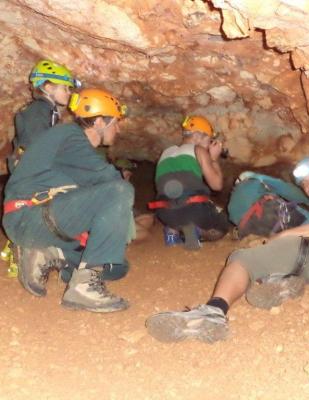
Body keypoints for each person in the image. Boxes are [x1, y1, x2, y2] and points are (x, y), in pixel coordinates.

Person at [146, 155, 309, 342]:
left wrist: (285, 234)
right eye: (305, 183)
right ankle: (283, 282)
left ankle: (213, 312)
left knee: (243, 258)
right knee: (284, 257)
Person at [2, 88, 133, 313]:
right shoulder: (69, 135)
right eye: (116, 122)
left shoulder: (73, 150)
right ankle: (82, 288)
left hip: (43, 221)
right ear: (100, 122)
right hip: (31, 214)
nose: (119, 129)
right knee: (120, 190)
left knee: (117, 266)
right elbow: (110, 183)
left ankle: (49, 253)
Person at [2, 59, 79, 277]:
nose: (69, 92)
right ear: (48, 87)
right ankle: (40, 250)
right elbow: (38, 153)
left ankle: (43, 248)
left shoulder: (46, 112)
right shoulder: (39, 112)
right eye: (65, 87)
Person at [149, 115, 229, 250]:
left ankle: (173, 231)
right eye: (209, 140)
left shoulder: (165, 152)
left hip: (164, 213)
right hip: (193, 211)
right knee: (222, 225)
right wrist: (213, 158)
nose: (209, 144)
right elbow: (217, 185)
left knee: (180, 208)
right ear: (198, 136)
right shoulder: (199, 150)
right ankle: (192, 232)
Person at [228, 170, 309, 239]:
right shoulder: (255, 179)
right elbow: (286, 189)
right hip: (267, 214)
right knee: (305, 218)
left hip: (246, 231)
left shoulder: (232, 201)